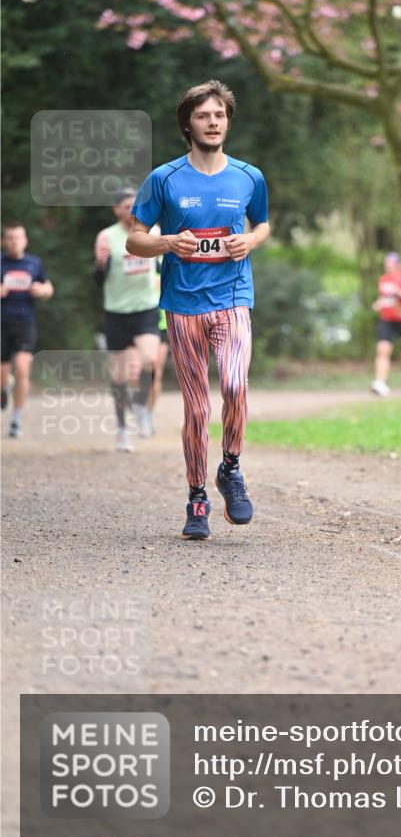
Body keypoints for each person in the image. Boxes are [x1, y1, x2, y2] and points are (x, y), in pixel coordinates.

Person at [127, 79, 270, 540]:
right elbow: (134, 237)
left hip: (232, 299)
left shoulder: (249, 176)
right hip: (183, 304)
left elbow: (263, 223)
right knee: (195, 407)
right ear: (187, 123)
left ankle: (229, 467)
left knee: (234, 383)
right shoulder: (164, 179)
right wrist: (168, 242)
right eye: (204, 115)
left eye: (220, 115)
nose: (213, 122)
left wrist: (249, 240)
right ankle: (197, 497)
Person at [94, 189, 162, 451]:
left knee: (151, 360)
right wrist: (100, 265)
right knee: (120, 375)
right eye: (125, 206)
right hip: (116, 311)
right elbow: (98, 280)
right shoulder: (106, 236)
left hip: (146, 307)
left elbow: (161, 266)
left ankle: (143, 408)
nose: (131, 209)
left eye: (135, 204)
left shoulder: (153, 232)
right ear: (116, 209)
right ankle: (122, 430)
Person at [1, 222, 54, 438]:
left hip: (25, 323)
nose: (14, 241)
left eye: (18, 237)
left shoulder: (34, 264)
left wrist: (42, 290)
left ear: (25, 240)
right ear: (4, 241)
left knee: (23, 368)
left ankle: (16, 419)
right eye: (10, 238)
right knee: (2, 376)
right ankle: (4, 388)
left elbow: (49, 288)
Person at [370, 252, 401, 397]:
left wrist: (399, 291)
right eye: (387, 264)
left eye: (391, 263)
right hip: (387, 320)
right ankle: (380, 382)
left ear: (398, 265)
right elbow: (384, 298)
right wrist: (378, 304)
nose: (388, 266)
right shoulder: (383, 280)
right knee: (382, 350)